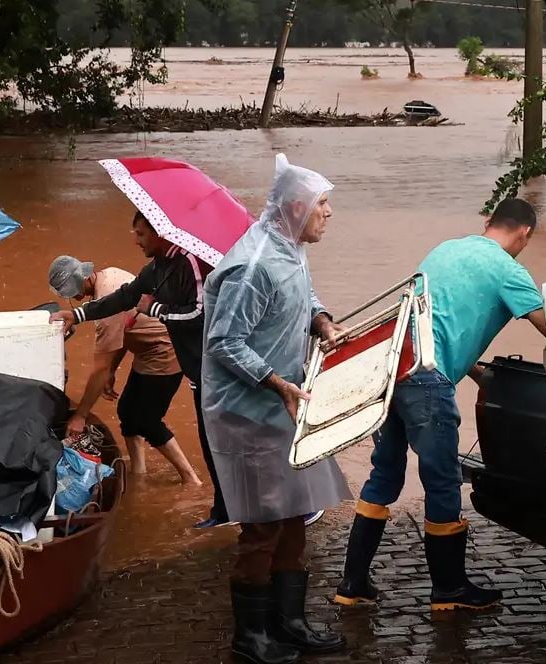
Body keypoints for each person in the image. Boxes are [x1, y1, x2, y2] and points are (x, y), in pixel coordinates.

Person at [333, 198, 546, 612]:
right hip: (428, 383)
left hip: (393, 370)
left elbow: (432, 321)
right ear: (525, 233)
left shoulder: (444, 251)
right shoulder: (509, 270)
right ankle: (449, 590)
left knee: (385, 474)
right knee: (443, 480)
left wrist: (472, 371)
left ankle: (352, 583)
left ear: (488, 222)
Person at [202, 154, 351, 664]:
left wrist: (324, 322)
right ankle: (251, 637)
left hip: (285, 402)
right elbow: (224, 341)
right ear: (295, 207)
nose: (328, 213)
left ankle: (289, 623)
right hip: (249, 410)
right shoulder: (254, 264)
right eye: (322, 204)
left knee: (294, 517)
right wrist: (275, 382)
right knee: (263, 524)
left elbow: (304, 295)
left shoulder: (290, 248)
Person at [50, 210, 238, 527]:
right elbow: (127, 298)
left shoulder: (187, 264)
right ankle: (216, 508)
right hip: (187, 364)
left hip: (190, 361)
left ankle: (209, 495)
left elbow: (197, 315)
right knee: (139, 416)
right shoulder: (156, 268)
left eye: (141, 234)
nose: (135, 241)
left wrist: (152, 308)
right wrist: (79, 315)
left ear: (160, 234)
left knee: (163, 424)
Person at [47, 255, 203, 485]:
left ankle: (190, 478)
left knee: (147, 421)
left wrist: (80, 415)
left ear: (86, 277)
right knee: (127, 413)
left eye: (73, 291)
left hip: (164, 352)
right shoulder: (110, 273)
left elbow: (99, 367)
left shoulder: (106, 302)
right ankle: (139, 472)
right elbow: (123, 334)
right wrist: (113, 370)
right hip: (147, 351)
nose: (74, 298)